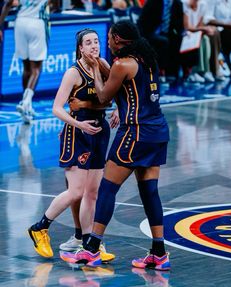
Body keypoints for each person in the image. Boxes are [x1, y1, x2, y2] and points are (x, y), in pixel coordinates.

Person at [60, 20, 171, 271]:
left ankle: (91, 249)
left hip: (135, 133)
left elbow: (103, 96)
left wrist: (97, 69)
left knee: (107, 188)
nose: (106, 41)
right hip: (158, 131)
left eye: (109, 37)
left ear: (119, 40)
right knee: (149, 192)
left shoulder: (121, 64)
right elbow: (133, 94)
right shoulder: (146, 60)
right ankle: (159, 253)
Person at [27, 28, 118, 263]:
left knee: (92, 193)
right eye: (88, 43)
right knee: (76, 191)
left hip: (99, 131)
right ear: (80, 48)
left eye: (96, 41)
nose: (94, 46)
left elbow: (118, 90)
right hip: (78, 131)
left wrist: (119, 107)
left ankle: (88, 244)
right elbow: (56, 108)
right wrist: (79, 126)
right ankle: (40, 227)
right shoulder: (73, 72)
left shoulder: (103, 65)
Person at [0, 0, 51, 124]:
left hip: (20, 23)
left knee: (26, 68)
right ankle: (26, 101)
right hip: (37, 22)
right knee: (36, 69)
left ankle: (27, 105)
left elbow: (8, 4)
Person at [137, 0, 184, 82]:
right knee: (164, 41)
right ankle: (161, 72)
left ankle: (172, 73)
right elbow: (143, 20)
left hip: (168, 32)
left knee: (178, 40)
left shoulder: (178, 3)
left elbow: (179, 24)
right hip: (151, 32)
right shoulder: (153, 2)